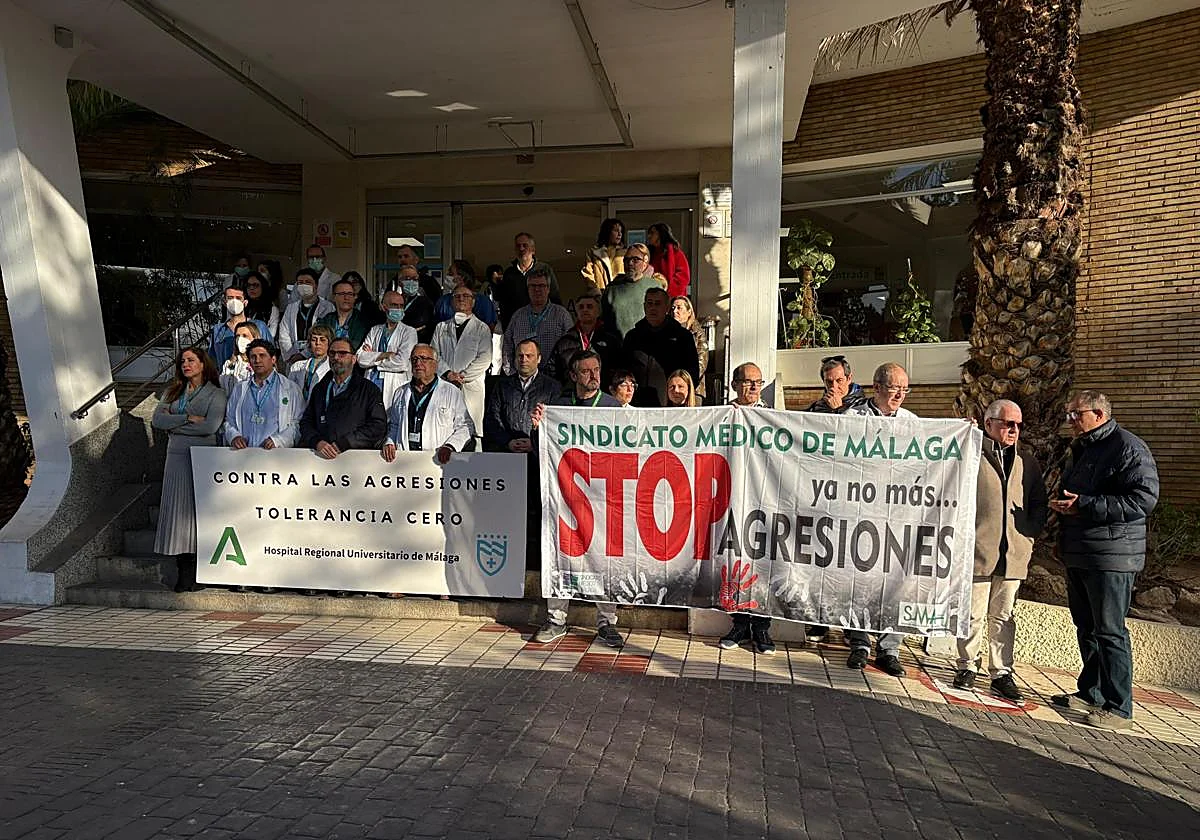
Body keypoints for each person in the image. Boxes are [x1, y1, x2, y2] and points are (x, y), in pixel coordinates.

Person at [1049, 390, 1159, 730]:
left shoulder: (1128, 447)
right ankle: (1091, 693)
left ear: (1099, 414)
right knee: (1087, 627)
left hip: (1112, 557)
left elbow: (1143, 500)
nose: (1070, 421)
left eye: (1076, 414)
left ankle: (1119, 707)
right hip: (1081, 552)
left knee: (1110, 631)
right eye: (1068, 414)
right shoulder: (1081, 448)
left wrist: (1085, 505)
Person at [952, 399, 1048, 701]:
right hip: (979, 551)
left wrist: (1028, 536)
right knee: (972, 614)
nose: (1014, 430)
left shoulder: (1027, 462)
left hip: (1014, 555)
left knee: (1003, 616)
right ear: (989, 423)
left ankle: (1002, 673)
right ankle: (967, 666)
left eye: (1018, 425)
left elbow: (1039, 503)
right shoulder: (971, 454)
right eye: (1008, 424)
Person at [529, 349, 623, 648]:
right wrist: (537, 429)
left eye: (597, 370)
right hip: (567, 497)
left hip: (603, 497)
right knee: (560, 552)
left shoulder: (613, 407)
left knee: (605, 559)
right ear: (573, 375)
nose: (593, 376)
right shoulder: (559, 405)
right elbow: (543, 451)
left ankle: (607, 622)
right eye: (586, 371)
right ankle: (556, 619)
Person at [842, 362, 916, 677]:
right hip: (862, 514)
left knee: (895, 584)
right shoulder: (853, 418)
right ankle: (859, 643)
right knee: (860, 582)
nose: (900, 395)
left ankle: (889, 649)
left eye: (905, 389)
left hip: (897, 518)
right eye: (894, 388)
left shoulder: (912, 423)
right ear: (877, 387)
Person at [151, 348, 227, 593]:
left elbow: (210, 426)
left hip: (202, 456)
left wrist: (173, 422)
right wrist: (186, 418)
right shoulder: (173, 392)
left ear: (203, 364)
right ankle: (182, 567)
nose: (186, 364)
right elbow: (157, 420)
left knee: (198, 511)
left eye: (191, 360)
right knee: (178, 513)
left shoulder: (216, 393)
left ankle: (199, 569)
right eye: (182, 361)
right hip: (176, 456)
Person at [484, 339, 562, 576]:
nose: (524, 360)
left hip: (539, 460)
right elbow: (492, 419)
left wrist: (535, 442)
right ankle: (512, 564)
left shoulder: (552, 387)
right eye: (520, 355)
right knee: (510, 513)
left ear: (539, 358)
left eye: (529, 356)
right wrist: (507, 441)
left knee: (539, 513)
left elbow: (557, 423)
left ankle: (537, 566)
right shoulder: (502, 385)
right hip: (509, 459)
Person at [719, 362, 775, 655]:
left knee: (762, 564)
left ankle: (762, 628)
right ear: (734, 385)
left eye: (758, 382)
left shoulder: (774, 416)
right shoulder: (722, 415)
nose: (753, 387)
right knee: (736, 560)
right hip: (733, 497)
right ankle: (739, 624)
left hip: (764, 499)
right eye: (747, 381)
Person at [382, 344, 473, 465]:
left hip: (436, 462)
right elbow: (394, 425)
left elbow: (465, 426)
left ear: (435, 364)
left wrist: (450, 446)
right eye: (414, 359)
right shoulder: (400, 392)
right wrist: (390, 442)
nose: (418, 363)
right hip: (405, 461)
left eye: (424, 359)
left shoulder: (452, 392)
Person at [299, 337, 388, 460]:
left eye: (342, 353)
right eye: (332, 353)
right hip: (321, 460)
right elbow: (306, 422)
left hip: (356, 460)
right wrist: (317, 442)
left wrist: (346, 443)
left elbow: (378, 426)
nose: (336, 357)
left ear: (353, 359)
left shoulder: (368, 390)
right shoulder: (320, 389)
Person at [432, 285, 492, 441]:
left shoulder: (482, 328)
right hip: (446, 383)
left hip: (469, 386)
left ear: (473, 301)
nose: (461, 299)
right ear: (451, 301)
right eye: (457, 296)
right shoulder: (441, 327)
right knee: (444, 429)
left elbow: (485, 358)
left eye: (466, 296)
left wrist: (461, 376)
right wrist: (448, 374)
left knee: (471, 432)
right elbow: (434, 355)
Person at [622, 287, 699, 407]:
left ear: (667, 308)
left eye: (657, 304)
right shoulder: (632, 337)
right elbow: (623, 370)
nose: (653, 308)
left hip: (670, 406)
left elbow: (692, 373)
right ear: (644, 307)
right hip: (636, 404)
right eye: (650, 303)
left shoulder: (682, 337)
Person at [502, 269, 574, 375]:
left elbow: (571, 347)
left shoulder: (561, 314)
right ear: (528, 289)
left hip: (554, 377)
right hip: (523, 377)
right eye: (533, 286)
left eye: (541, 286)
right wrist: (511, 372)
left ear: (548, 289)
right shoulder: (518, 315)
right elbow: (507, 345)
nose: (537, 289)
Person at [547, 289, 623, 388]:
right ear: (576, 312)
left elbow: (619, 370)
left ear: (598, 312)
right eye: (581, 307)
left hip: (602, 392)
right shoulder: (565, 341)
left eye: (590, 307)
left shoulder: (611, 340)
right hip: (572, 393)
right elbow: (553, 370)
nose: (585, 310)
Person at [357, 289, 418, 409]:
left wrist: (374, 359)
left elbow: (402, 363)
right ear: (383, 307)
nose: (398, 309)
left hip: (395, 385)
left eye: (401, 306)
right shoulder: (375, 330)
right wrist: (385, 355)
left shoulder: (409, 332)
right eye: (394, 305)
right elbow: (360, 358)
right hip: (371, 382)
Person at [496, 232, 561, 330]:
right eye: (518, 246)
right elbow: (504, 303)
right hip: (517, 326)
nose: (521, 248)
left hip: (543, 325)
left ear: (533, 250)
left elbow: (555, 297)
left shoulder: (545, 269)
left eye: (525, 245)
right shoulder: (509, 273)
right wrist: (507, 327)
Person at [603, 243, 667, 337]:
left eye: (635, 260)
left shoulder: (655, 287)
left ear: (645, 263)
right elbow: (605, 323)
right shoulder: (612, 289)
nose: (630, 263)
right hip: (618, 344)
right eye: (626, 260)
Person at [277, 268, 335, 366]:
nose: (304, 285)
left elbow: (327, 334)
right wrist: (292, 355)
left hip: (317, 355)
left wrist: (304, 354)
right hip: (293, 357)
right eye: (300, 283)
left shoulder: (328, 307)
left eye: (308, 282)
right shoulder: (291, 308)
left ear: (316, 285)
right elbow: (284, 334)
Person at [209, 286, 272, 367]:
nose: (234, 302)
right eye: (230, 298)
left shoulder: (259, 326)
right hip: (225, 373)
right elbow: (212, 360)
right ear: (224, 302)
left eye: (238, 298)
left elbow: (271, 353)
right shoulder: (218, 330)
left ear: (245, 302)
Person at [434, 260, 498, 327]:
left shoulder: (483, 302)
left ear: (462, 277)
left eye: (451, 274)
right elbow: (437, 327)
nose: (447, 276)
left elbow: (489, 327)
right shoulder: (443, 301)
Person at [318, 278, 371, 351]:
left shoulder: (363, 321)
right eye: (342, 294)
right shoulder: (326, 319)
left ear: (355, 297)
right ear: (334, 297)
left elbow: (356, 346)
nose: (346, 298)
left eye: (350, 294)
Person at [287, 325, 333, 410]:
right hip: (298, 411)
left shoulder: (332, 368)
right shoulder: (297, 367)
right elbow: (289, 392)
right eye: (314, 339)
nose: (317, 343)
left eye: (322, 340)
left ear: (329, 343)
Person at [671, 296, 708, 398]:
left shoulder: (697, 333)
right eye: (673, 308)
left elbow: (702, 361)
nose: (675, 311)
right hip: (672, 388)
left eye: (679, 308)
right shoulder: (668, 333)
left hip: (694, 389)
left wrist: (687, 382)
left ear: (689, 312)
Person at [581, 217, 626, 290]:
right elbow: (588, 274)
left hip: (620, 293)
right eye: (616, 230)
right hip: (600, 293)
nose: (619, 234)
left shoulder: (625, 253)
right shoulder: (593, 252)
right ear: (607, 232)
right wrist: (595, 291)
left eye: (621, 231)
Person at [396, 266, 437, 344]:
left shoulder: (426, 303)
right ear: (399, 282)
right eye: (408, 278)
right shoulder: (394, 300)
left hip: (419, 344)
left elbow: (427, 326)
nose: (412, 281)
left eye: (415, 279)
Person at [648, 222, 690, 297]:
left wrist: (668, 291)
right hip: (654, 295)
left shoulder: (676, 253)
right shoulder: (650, 253)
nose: (649, 236)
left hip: (671, 296)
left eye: (652, 233)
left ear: (660, 234)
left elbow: (683, 276)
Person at [218, 322, 261, 394]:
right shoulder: (228, 364)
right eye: (237, 336)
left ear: (254, 338)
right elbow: (221, 388)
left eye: (244, 336)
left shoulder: (262, 364)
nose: (240, 339)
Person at [243, 271, 281, 339]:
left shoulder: (272, 309)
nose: (251, 288)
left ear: (263, 287)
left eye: (255, 285)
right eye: (248, 285)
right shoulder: (242, 306)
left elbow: (271, 335)